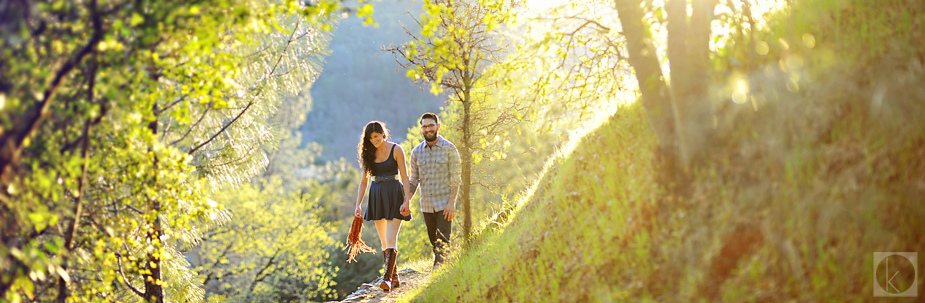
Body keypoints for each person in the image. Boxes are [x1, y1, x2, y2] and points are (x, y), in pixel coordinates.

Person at [354, 121, 412, 292]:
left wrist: (407, 200)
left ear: (383, 134)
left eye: (376, 137)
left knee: (390, 237)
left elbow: (405, 176)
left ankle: (386, 279)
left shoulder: (397, 149)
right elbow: (364, 181)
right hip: (377, 195)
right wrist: (358, 204)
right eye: (370, 138)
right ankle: (394, 278)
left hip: (395, 194)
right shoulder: (368, 154)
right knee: (383, 241)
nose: (374, 140)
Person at [408, 113, 461, 267]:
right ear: (421, 129)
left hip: (444, 204)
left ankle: (438, 271)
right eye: (425, 126)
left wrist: (452, 202)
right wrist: (407, 201)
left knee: (442, 242)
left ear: (438, 126)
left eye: (431, 125)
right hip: (426, 205)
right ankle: (445, 267)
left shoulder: (450, 149)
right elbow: (413, 180)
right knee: (434, 241)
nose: (428, 129)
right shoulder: (416, 152)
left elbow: (456, 178)